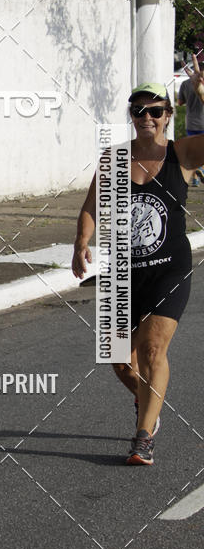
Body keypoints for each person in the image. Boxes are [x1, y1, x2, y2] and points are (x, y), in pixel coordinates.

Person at [72, 81, 204, 465]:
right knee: (118, 360)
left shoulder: (183, 153)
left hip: (169, 269)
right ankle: (147, 401)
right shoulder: (114, 157)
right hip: (122, 272)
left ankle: (143, 437)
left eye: (155, 110)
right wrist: (81, 242)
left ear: (168, 115)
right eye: (138, 110)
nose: (146, 117)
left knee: (151, 349)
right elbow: (92, 205)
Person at [177, 51, 204, 185]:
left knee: (194, 152)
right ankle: (200, 170)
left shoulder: (185, 84)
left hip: (191, 123)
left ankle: (195, 178)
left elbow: (180, 102)